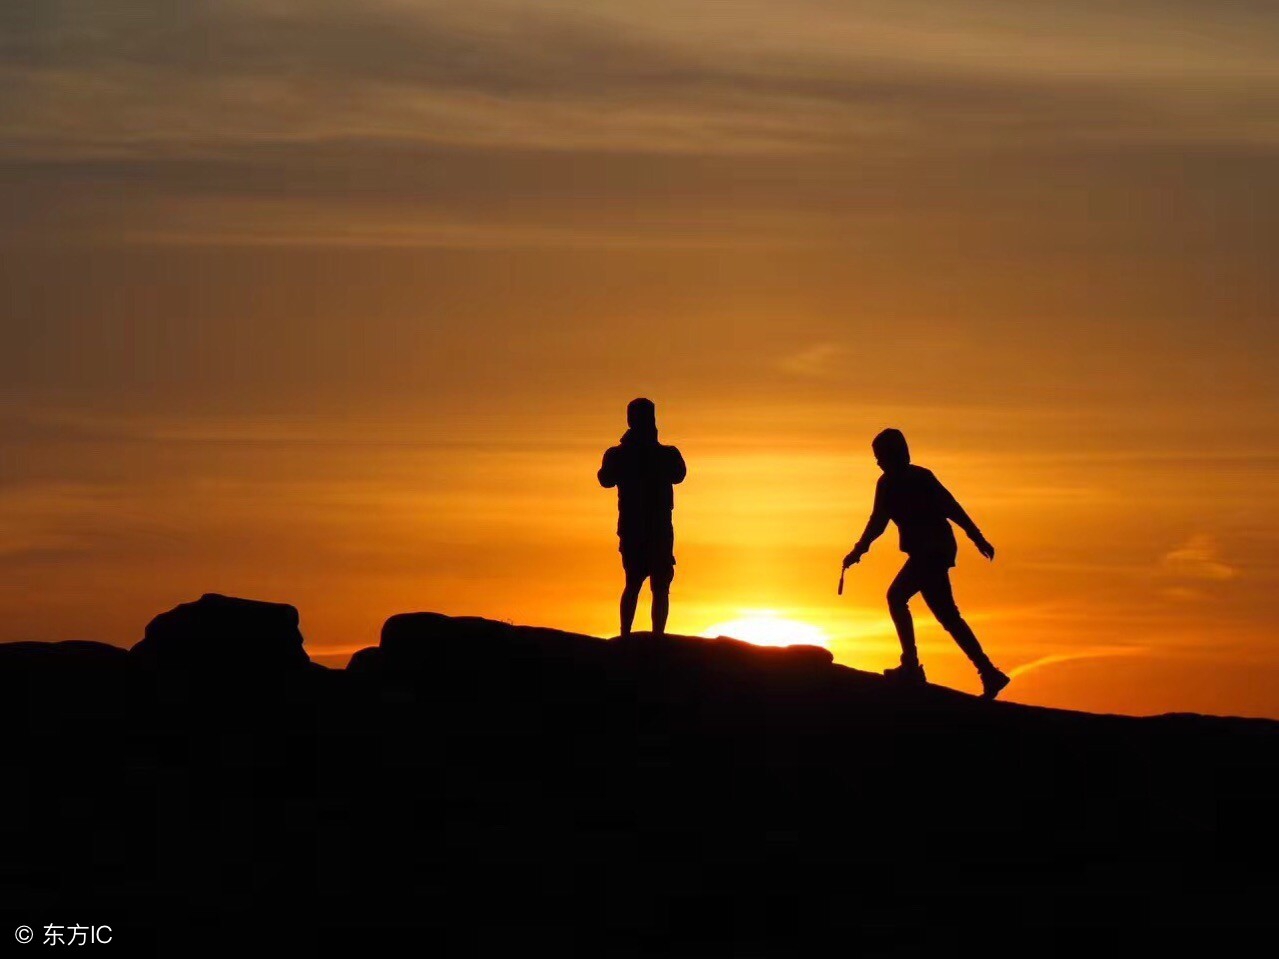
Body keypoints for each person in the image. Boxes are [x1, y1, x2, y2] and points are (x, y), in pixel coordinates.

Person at [842, 428, 1010, 699]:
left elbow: (952, 508)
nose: (878, 462)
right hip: (927, 552)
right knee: (948, 616)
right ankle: (989, 672)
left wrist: (977, 537)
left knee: (897, 597)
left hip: (933, 551)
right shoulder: (886, 484)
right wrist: (857, 552)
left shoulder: (920, 478)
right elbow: (877, 523)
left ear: (894, 453)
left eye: (880, 455)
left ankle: (911, 666)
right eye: (876, 457)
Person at [598, 398, 687, 637]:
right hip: (639, 528)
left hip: (653, 528)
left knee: (656, 585)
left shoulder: (661, 454)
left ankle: (652, 637)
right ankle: (629, 635)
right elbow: (605, 479)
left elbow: (679, 474)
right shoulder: (625, 454)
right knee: (638, 583)